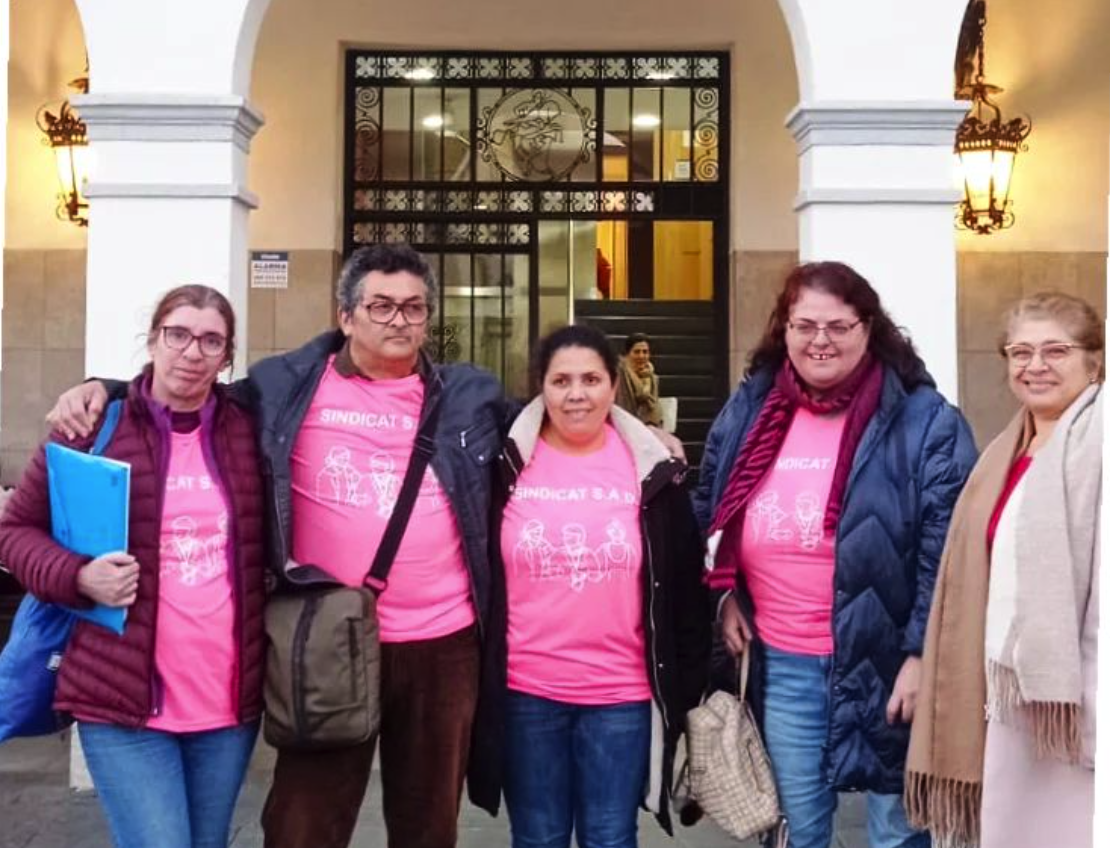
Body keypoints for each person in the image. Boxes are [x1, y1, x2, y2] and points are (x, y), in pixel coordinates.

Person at [45, 244, 510, 848]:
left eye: (415, 308)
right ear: (345, 315)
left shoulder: (469, 396)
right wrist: (103, 388)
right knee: (302, 823)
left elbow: (560, 420)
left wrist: (639, 432)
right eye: (382, 305)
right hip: (326, 636)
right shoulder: (283, 385)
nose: (400, 320)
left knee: (427, 825)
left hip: (442, 642)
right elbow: (189, 392)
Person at [691, 261, 978, 848]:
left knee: (899, 833)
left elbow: (946, 550)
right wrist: (723, 593)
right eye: (804, 325)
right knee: (800, 829)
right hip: (785, 660)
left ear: (869, 328)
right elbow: (709, 507)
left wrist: (923, 654)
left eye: (838, 326)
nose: (820, 340)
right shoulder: (751, 409)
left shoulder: (925, 422)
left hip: (889, 665)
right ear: (784, 329)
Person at [0, 285, 266, 848]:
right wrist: (77, 576)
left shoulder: (249, 430)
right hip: (120, 699)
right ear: (152, 339)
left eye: (211, 340)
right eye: (178, 335)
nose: (192, 352)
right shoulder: (92, 427)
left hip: (226, 705)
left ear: (227, 356)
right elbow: (13, 532)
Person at [468, 324, 710, 847]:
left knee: (609, 835)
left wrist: (688, 689)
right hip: (526, 693)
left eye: (591, 379)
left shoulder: (653, 471)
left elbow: (688, 593)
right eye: (561, 381)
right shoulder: (504, 463)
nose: (576, 394)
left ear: (613, 386)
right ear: (540, 387)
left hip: (620, 696)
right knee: (538, 836)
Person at [906, 292, 1103, 848]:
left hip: (1068, 705)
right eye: (1020, 352)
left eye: (1055, 351)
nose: (1034, 366)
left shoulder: (1097, 445)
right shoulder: (1006, 448)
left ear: (1094, 360)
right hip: (1003, 694)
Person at [616, 333, 664, 427]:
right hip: (624, 427)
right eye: (637, 352)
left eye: (645, 352)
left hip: (648, 429)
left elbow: (654, 407)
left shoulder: (652, 378)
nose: (641, 356)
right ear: (628, 354)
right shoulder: (619, 373)